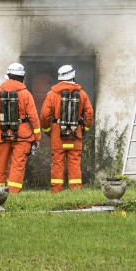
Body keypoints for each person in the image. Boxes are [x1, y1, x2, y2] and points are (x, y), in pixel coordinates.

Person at [0, 62, 40, 193]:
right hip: (22, 136)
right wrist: (37, 137)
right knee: (17, 166)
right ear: (22, 77)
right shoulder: (26, 94)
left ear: (8, 76)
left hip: (2, 134)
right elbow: (33, 117)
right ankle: (13, 195)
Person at [39, 64, 94, 193]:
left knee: (57, 163)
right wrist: (84, 129)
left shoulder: (52, 94)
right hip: (76, 133)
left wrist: (48, 131)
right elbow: (89, 114)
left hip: (58, 133)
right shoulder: (82, 94)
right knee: (74, 162)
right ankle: (75, 191)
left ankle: (56, 191)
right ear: (73, 76)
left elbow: (44, 116)